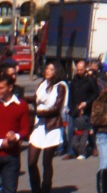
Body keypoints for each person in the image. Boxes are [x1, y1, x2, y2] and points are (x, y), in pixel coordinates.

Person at [28, 61, 67, 193]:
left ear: (57, 71)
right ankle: (36, 189)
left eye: (51, 69)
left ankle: (45, 189)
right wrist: (21, 99)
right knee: (31, 162)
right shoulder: (43, 84)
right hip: (39, 126)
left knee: (46, 162)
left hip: (52, 127)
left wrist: (38, 112)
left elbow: (56, 108)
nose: (47, 71)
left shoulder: (61, 86)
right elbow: (35, 99)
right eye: (47, 68)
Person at [0, 73, 31, 193]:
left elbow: (26, 128)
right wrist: (2, 143)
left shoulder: (21, 106)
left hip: (12, 156)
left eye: (1, 88)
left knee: (10, 190)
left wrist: (15, 137)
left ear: (10, 88)